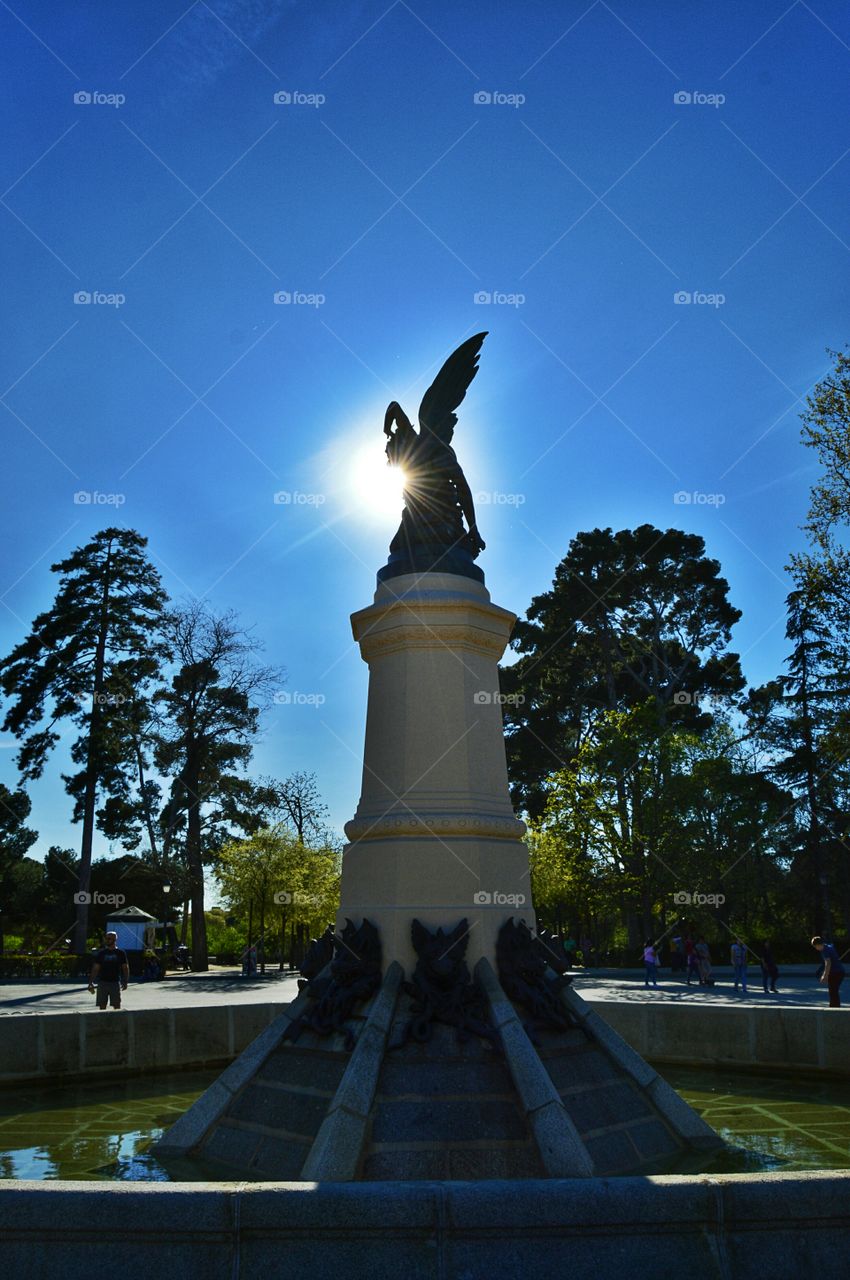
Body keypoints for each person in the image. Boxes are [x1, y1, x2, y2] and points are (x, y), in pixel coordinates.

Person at [88, 931, 129, 1010]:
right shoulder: (101, 953)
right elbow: (95, 968)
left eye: (109, 938)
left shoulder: (120, 953)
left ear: (114, 940)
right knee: (102, 1005)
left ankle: (116, 1021)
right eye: (106, 938)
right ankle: (103, 1021)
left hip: (115, 982)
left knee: (116, 1005)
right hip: (102, 982)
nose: (107, 940)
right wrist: (91, 982)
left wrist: (125, 981)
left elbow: (125, 968)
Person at [812, 936, 846, 1008]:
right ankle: (834, 1008)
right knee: (833, 991)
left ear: (818, 945)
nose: (816, 949)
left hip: (836, 972)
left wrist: (825, 976)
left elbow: (828, 963)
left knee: (833, 991)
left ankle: (834, 1009)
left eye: (815, 947)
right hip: (840, 972)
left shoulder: (824, 950)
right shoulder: (828, 946)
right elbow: (827, 962)